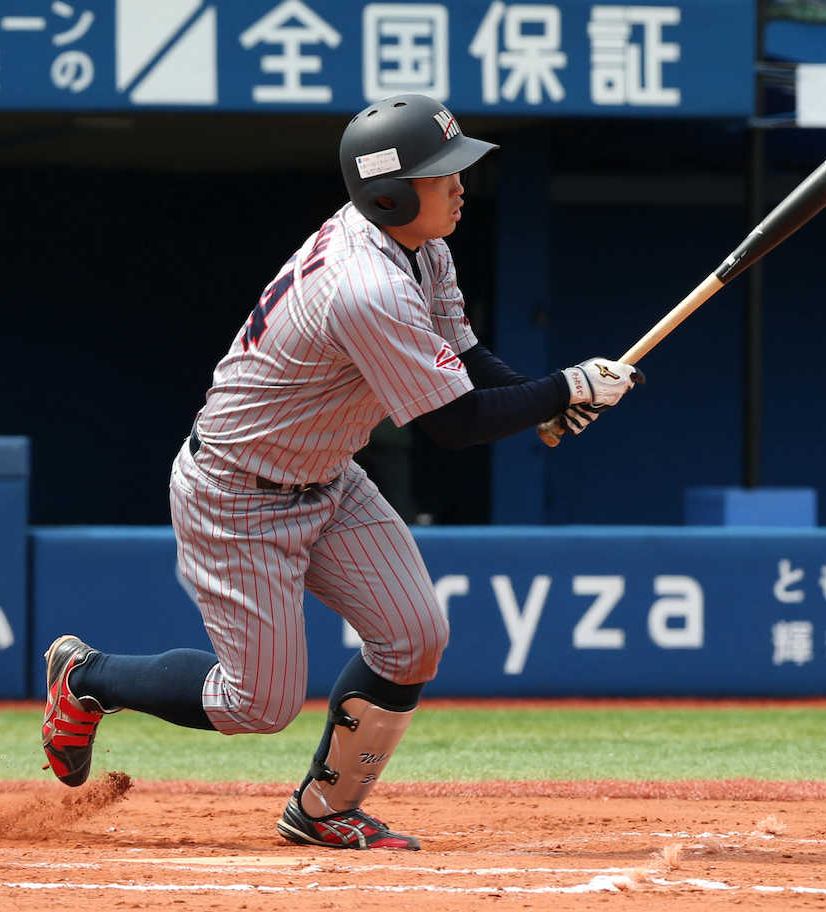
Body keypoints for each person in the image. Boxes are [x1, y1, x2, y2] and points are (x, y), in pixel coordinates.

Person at [41, 94, 643, 851]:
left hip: (328, 474)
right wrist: (563, 388)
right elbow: (452, 425)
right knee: (256, 703)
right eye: (442, 174)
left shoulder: (418, 245)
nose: (461, 185)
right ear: (389, 193)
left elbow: (462, 360)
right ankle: (88, 676)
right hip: (237, 493)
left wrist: (545, 400)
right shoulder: (368, 285)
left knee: (416, 635)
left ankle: (324, 809)